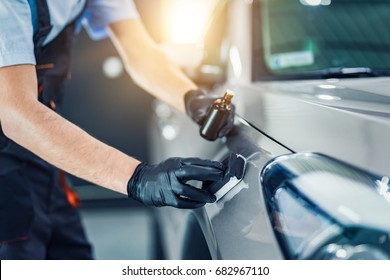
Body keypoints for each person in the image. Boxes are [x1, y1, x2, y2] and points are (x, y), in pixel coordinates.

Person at [0, 0, 234, 259]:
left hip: (38, 155)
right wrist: (137, 178)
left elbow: (139, 51)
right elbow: (16, 112)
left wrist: (191, 99)